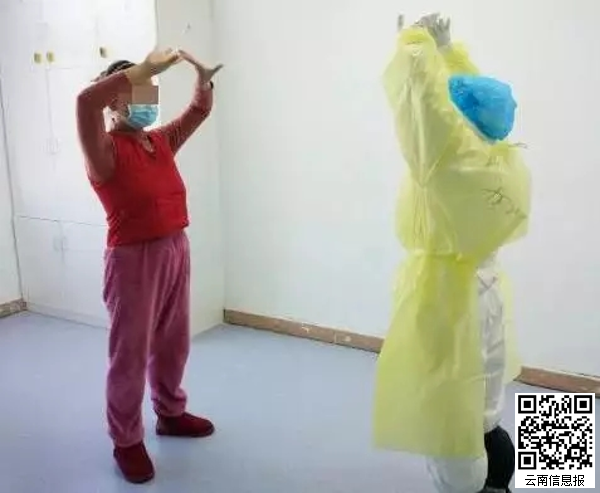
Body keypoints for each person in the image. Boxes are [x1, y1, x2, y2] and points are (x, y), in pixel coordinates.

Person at [372, 13, 531, 493]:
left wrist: (414, 48)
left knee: (448, 404)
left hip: (446, 299)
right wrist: (449, 53)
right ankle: (500, 476)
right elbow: (464, 103)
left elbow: (427, 111)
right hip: (486, 289)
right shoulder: (502, 158)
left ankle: (465, 484)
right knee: (485, 398)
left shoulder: (448, 163)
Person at [76, 47, 223, 484]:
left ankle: (170, 413)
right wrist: (142, 69)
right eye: (137, 91)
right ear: (113, 101)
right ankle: (126, 440)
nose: (146, 99)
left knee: (173, 342)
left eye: (149, 91)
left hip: (176, 248)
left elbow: (197, 112)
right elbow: (84, 102)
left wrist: (204, 81)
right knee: (131, 354)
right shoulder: (104, 150)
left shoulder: (158, 142)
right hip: (132, 261)